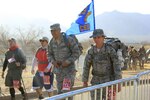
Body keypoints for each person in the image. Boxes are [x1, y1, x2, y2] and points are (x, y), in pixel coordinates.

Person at [82, 29, 122, 100]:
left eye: (99, 37)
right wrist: (85, 80)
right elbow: (86, 66)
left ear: (103, 38)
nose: (96, 39)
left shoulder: (110, 50)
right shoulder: (91, 51)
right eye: (95, 38)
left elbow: (117, 66)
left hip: (109, 81)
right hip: (96, 81)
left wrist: (118, 82)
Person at [47, 23, 81, 99]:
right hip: (58, 72)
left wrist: (68, 61)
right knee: (60, 94)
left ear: (59, 30)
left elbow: (77, 52)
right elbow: (49, 54)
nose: (53, 33)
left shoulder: (68, 39)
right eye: (52, 31)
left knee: (67, 91)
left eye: (55, 31)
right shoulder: (51, 42)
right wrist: (53, 62)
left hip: (68, 72)